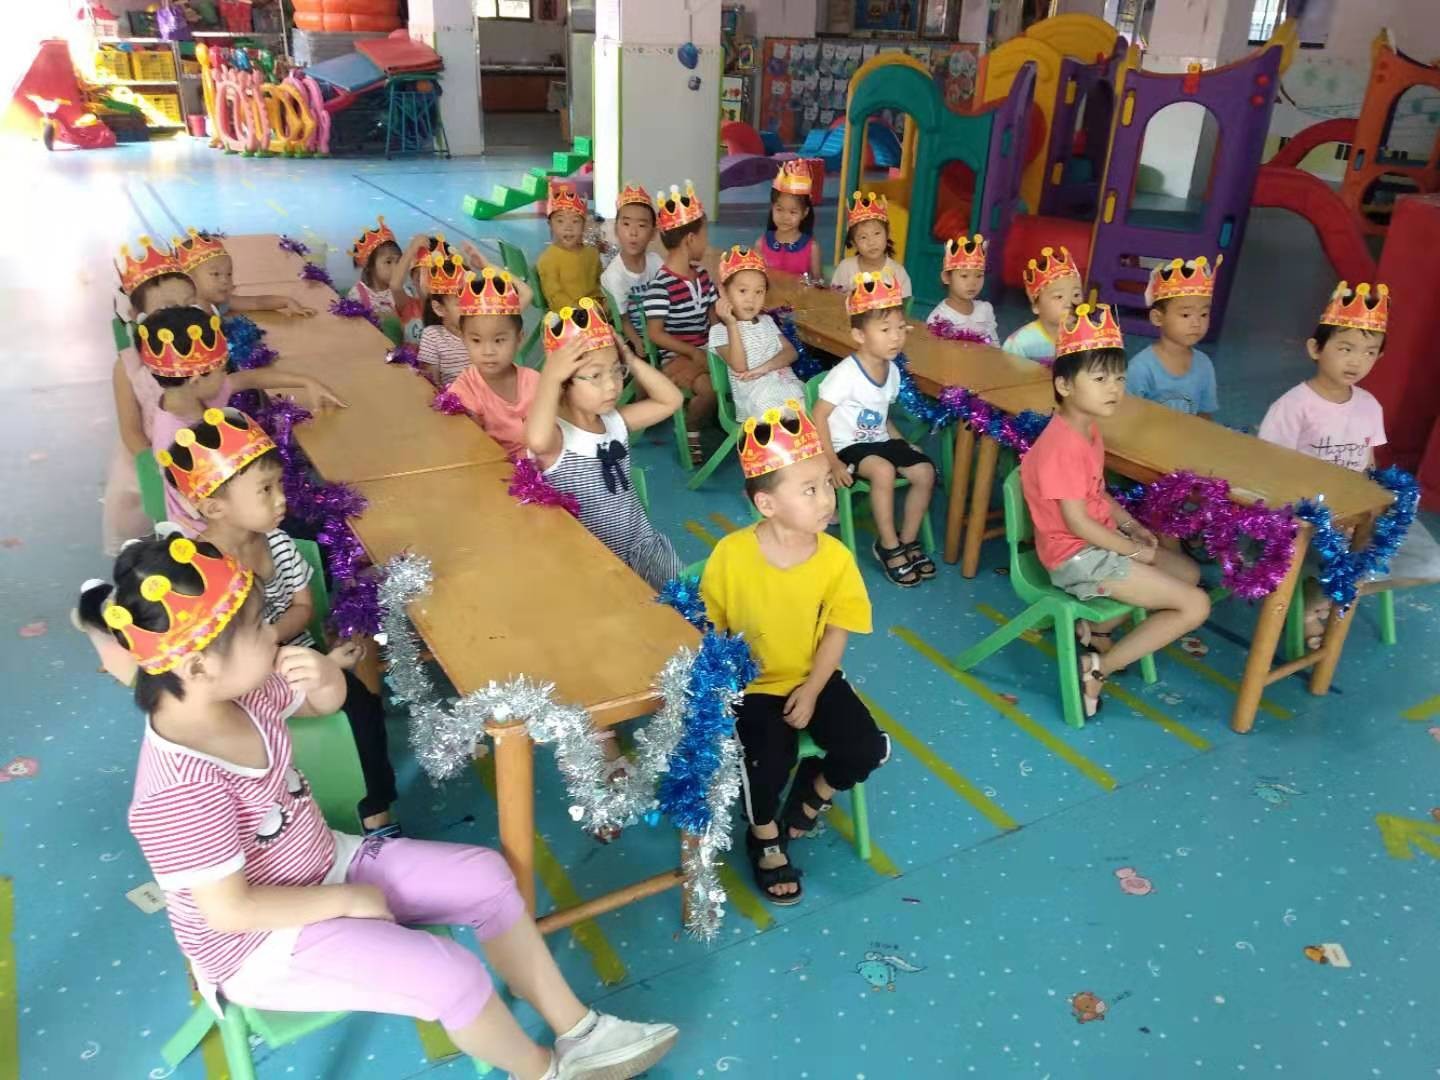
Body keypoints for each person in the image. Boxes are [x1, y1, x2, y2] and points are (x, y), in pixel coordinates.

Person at [95, 534, 678, 1080]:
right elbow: (231, 911)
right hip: (263, 943)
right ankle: (542, 1071)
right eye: (255, 628)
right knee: (451, 975)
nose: (272, 633)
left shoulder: (241, 693)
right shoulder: (176, 791)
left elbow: (323, 703)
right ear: (197, 666)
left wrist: (326, 676)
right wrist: (347, 900)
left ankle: (580, 1031)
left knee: (486, 876)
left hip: (323, 862)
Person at [158, 407, 400, 835]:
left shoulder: (279, 543)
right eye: (264, 490)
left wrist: (282, 644)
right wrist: (277, 654)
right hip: (234, 678)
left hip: (294, 656)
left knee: (362, 706)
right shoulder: (198, 569)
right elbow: (211, 654)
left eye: (279, 485)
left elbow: (304, 608)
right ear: (214, 506)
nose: (281, 499)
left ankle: (376, 814)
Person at [700, 404, 889, 904]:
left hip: (814, 676)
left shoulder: (836, 558)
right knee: (763, 764)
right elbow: (709, 625)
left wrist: (811, 689)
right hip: (753, 686)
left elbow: (838, 632)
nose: (828, 499)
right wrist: (718, 692)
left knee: (867, 748)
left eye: (827, 484)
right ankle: (764, 835)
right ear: (767, 504)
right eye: (810, 490)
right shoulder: (731, 555)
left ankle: (814, 790)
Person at [1020, 303, 1210, 719]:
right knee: (1195, 605)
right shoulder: (1062, 446)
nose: (1114, 388)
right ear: (1064, 385)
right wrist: (1134, 550)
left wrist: (1132, 525)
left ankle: (1095, 628)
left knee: (1188, 573)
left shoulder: (1086, 429)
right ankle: (1097, 668)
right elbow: (1077, 523)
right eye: (1100, 378)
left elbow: (1097, 494)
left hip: (1099, 545)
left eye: (1120, 378)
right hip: (1076, 558)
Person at [1259, 280, 1391, 645]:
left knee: (1373, 551)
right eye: (1345, 348)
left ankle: (1316, 598)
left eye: (1369, 352)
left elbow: (1367, 464)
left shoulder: (1370, 406)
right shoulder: (1294, 405)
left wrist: (1364, 513)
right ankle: (1306, 607)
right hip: (1300, 518)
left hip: (1347, 515)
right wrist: (1314, 517)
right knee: (1330, 554)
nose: (1356, 361)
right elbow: (1269, 466)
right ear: (1315, 348)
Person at [138, 306, 345, 535]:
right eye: (222, 369)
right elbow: (203, 509)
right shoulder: (173, 438)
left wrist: (306, 382)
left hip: (243, 502)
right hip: (210, 532)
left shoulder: (201, 392)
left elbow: (250, 378)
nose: (226, 374)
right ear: (197, 380)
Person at [526, 299, 685, 591]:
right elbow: (535, 440)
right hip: (592, 564)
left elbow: (671, 400)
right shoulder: (557, 438)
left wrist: (630, 359)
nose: (612, 385)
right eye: (596, 376)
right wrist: (549, 377)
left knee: (690, 605)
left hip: (642, 547)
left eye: (615, 371)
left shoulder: (614, 421)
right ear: (564, 382)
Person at [813, 272, 937, 588]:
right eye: (885, 330)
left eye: (900, 328)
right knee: (882, 471)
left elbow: (881, 417)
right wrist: (832, 462)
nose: (896, 337)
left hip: (878, 440)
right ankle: (888, 546)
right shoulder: (846, 374)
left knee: (925, 471)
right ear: (859, 335)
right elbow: (819, 415)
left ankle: (908, 541)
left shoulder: (892, 370)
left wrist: (903, 443)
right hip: (846, 446)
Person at [104, 238, 198, 554]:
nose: (181, 315)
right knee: (153, 545)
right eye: (168, 308)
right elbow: (131, 431)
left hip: (198, 463)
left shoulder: (201, 351)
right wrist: (164, 474)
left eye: (189, 304)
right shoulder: (129, 367)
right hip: (151, 469)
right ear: (138, 315)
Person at [641, 181, 719, 463]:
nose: (706, 242)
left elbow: (713, 320)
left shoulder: (703, 276)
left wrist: (713, 350)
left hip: (704, 351)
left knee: (724, 379)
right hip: (676, 356)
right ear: (690, 240)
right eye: (704, 235)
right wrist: (692, 353)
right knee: (709, 390)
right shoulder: (661, 285)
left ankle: (714, 417)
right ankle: (690, 428)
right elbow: (655, 334)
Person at [450, 268, 540, 458]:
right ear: (464, 339)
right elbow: (470, 447)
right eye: (476, 340)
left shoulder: (535, 381)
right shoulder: (465, 390)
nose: (488, 351)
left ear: (519, 339)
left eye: (499, 340)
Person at [707, 245, 804, 420]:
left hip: (788, 389)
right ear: (723, 292)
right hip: (757, 401)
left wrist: (763, 368)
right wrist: (731, 324)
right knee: (781, 420)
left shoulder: (766, 321)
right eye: (743, 291)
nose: (751, 299)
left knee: (815, 408)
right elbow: (740, 367)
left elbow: (791, 352)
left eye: (759, 292)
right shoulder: (719, 332)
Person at [1127, 256, 1221, 417]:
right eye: (1185, 315)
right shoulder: (1141, 368)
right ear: (1157, 318)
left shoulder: (1204, 364)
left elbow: (1204, 416)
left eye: (1204, 314)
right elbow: (1125, 417)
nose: (1196, 323)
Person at [174, 228, 315, 317]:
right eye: (215, 274)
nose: (225, 280)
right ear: (188, 279)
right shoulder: (182, 310)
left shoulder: (222, 302)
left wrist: (286, 301)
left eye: (229, 274)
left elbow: (256, 302)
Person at [599, 183, 662, 355]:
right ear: (616, 229)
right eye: (626, 224)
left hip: (660, 330)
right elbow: (623, 318)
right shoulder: (615, 275)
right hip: (634, 337)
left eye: (642, 225)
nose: (633, 232)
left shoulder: (656, 262)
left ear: (653, 233)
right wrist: (637, 342)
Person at [1002, 246, 1084, 363]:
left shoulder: (1086, 336)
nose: (1069, 304)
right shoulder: (1020, 344)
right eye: (1059, 296)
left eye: (1076, 295)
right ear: (1036, 306)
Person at [535, 180, 603, 312]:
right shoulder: (548, 259)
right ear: (550, 225)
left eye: (575, 221)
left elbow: (599, 285)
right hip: (566, 315)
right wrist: (577, 309)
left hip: (595, 310)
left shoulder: (592, 254)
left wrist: (602, 305)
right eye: (560, 221)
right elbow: (554, 295)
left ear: (584, 226)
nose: (568, 227)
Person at [830, 191, 912, 298]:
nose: (871, 242)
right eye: (863, 237)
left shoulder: (898, 272)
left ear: (887, 234)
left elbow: (904, 305)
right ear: (854, 243)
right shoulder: (846, 268)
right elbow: (833, 299)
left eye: (877, 233)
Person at [755, 159, 822, 280]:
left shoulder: (812, 248)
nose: (785, 217)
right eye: (779, 209)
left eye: (793, 212)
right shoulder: (761, 244)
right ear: (772, 207)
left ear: (805, 213)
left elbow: (817, 282)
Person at [926, 235, 998, 345]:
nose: (973, 283)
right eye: (964, 276)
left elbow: (994, 345)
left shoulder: (985, 309)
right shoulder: (939, 319)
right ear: (946, 278)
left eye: (979, 276)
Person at [417, 251, 474, 388]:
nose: (469, 307)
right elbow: (432, 384)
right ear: (439, 309)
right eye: (460, 303)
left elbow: (524, 294)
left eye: (472, 299)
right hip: (454, 399)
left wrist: (486, 265)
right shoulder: (433, 336)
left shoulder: (484, 331)